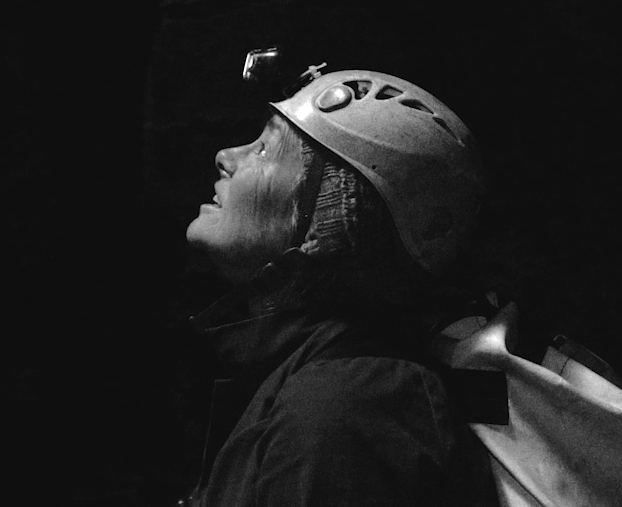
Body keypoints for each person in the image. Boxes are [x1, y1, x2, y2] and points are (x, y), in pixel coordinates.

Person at [180, 65, 498, 506]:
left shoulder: (347, 406)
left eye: (265, 148)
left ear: (331, 219)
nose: (225, 156)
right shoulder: (315, 379)